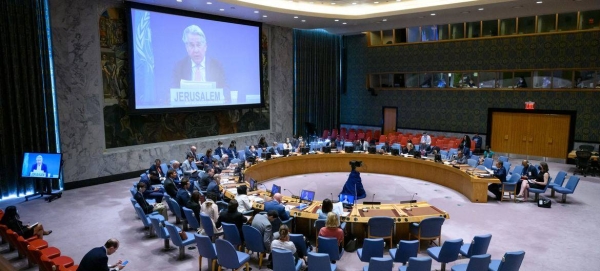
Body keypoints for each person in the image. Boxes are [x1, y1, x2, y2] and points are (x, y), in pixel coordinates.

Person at [172, 25, 228, 99]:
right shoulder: (179, 67)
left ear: (205, 47)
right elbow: (171, 94)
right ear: (186, 48)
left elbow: (226, 90)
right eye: (191, 45)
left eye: (199, 45)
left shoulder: (217, 66)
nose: (196, 50)